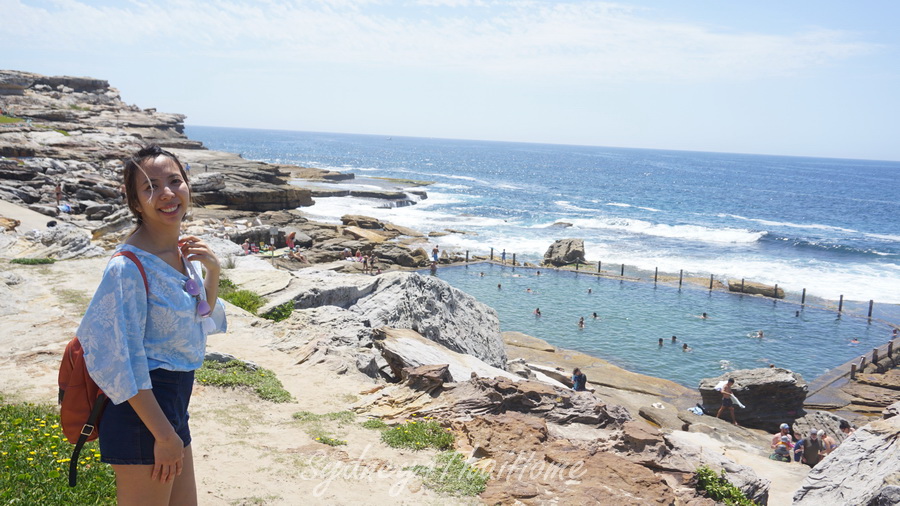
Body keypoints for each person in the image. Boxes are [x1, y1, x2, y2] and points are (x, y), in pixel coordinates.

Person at [76, 145, 227, 504]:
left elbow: (200, 317)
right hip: (143, 412)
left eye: (175, 181)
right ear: (135, 202)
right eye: (151, 187)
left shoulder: (179, 252)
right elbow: (114, 360)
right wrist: (163, 435)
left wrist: (213, 272)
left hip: (174, 405)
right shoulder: (127, 268)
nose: (167, 193)